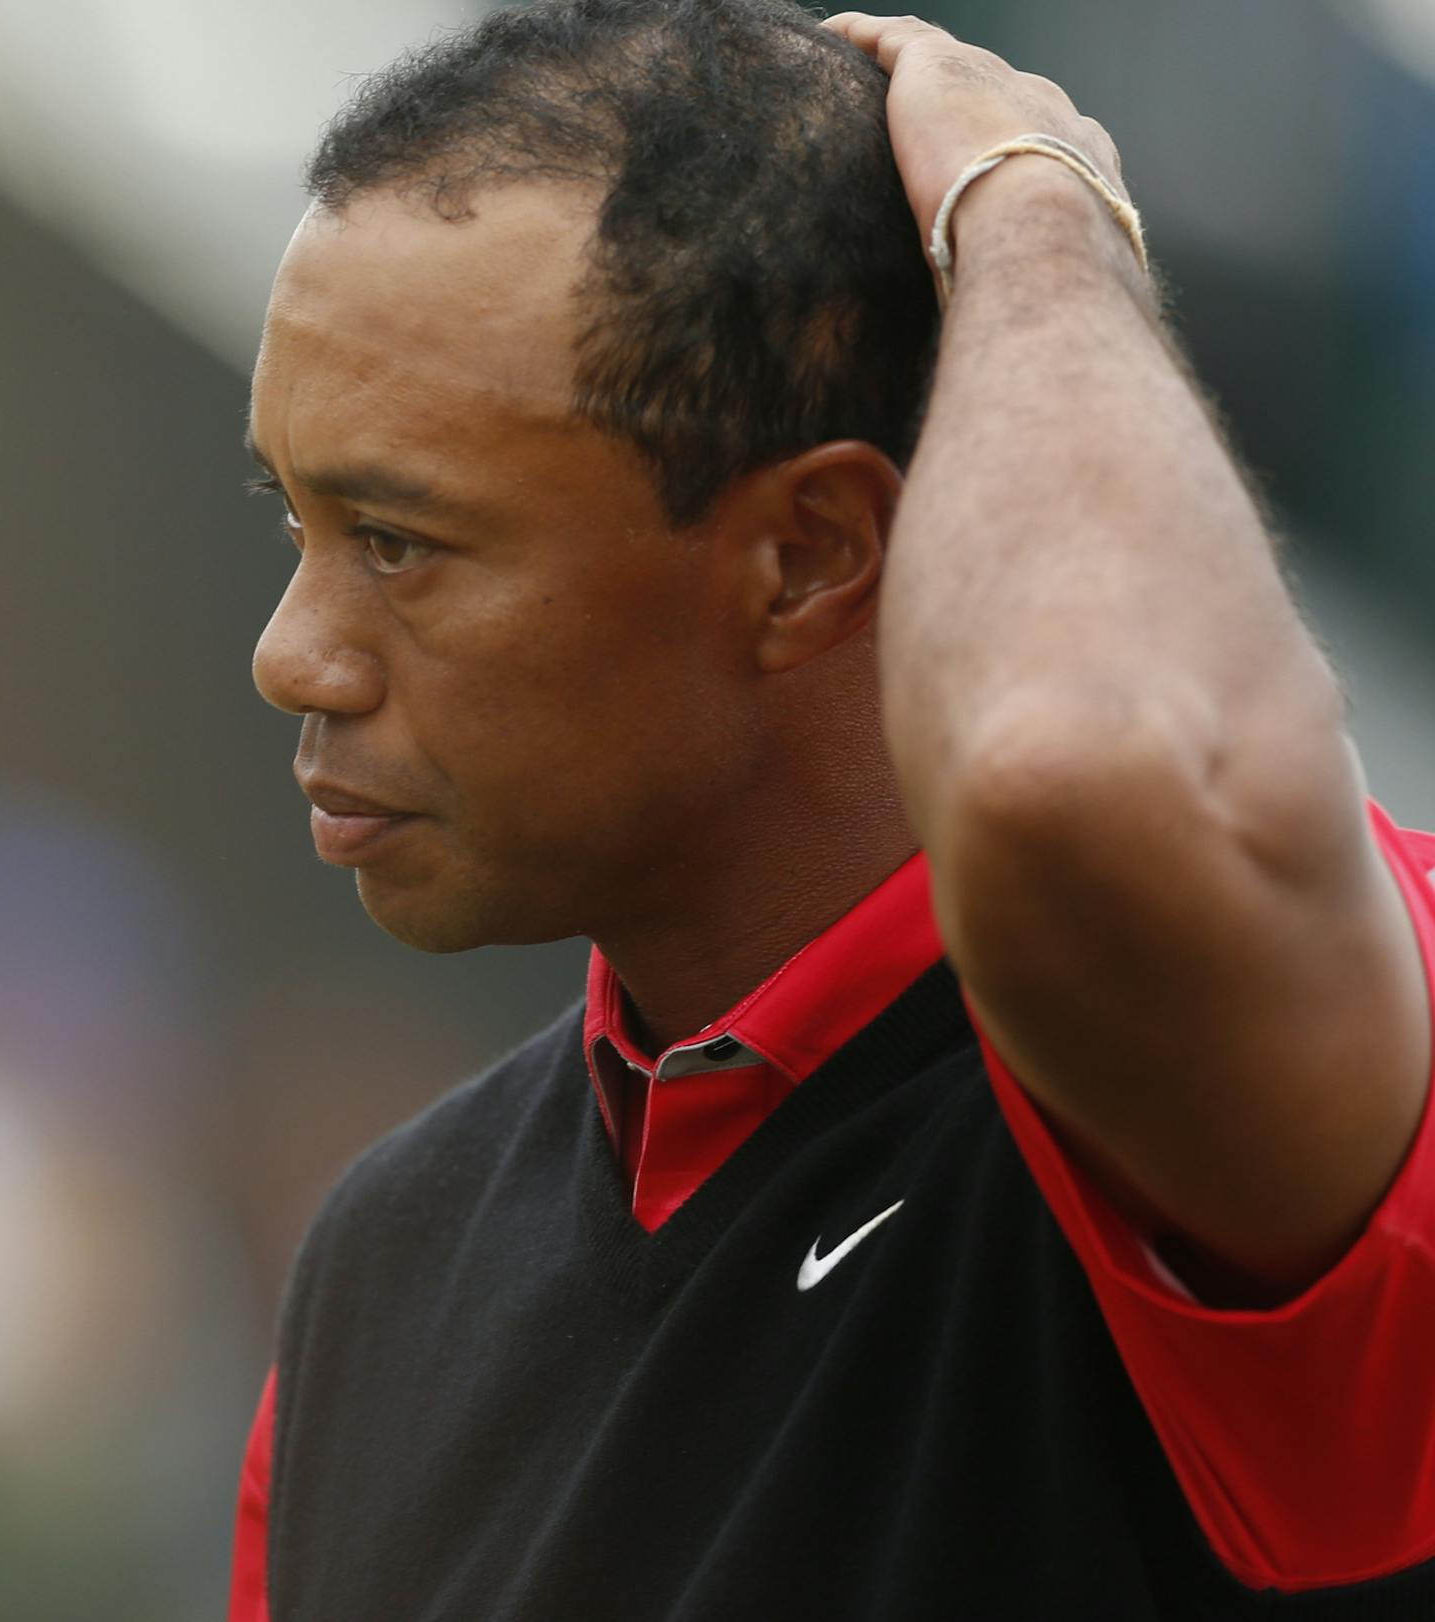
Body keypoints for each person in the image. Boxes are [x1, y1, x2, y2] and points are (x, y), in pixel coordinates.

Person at [231, 2, 1435, 1616]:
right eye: (296, 519)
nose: (291, 654)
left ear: (808, 555)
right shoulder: (383, 1266)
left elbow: (1087, 777)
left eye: (398, 541)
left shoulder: (1254, 1035)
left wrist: (1040, 211)